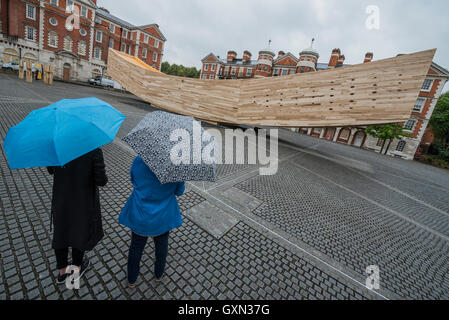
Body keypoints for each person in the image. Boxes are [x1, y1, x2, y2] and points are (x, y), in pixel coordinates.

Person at [119, 156, 185, 288]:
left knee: (136, 247)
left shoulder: (139, 160)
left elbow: (133, 180)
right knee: (161, 247)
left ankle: (132, 279)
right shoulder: (177, 167)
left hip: (140, 213)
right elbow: (179, 192)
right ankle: (159, 275)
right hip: (163, 216)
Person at [47, 148, 108, 284]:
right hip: (83, 201)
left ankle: (62, 272)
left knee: (61, 232)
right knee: (80, 232)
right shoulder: (93, 149)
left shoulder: (57, 146)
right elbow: (101, 181)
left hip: (61, 199)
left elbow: (51, 169)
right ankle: (75, 272)